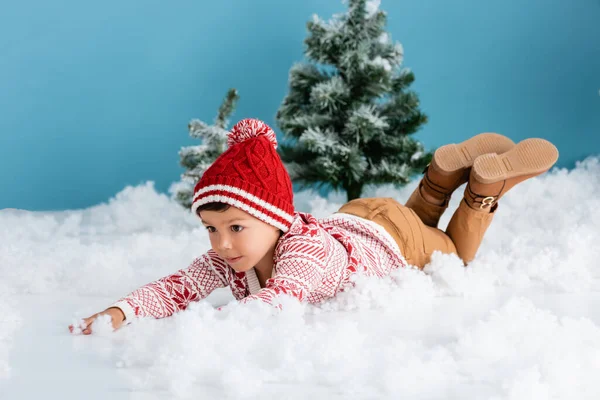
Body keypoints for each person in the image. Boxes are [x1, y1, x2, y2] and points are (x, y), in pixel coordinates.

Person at [69, 118, 558, 335]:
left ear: (276, 219)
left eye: (235, 227)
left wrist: (197, 330)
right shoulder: (233, 254)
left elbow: (278, 302)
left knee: (453, 253)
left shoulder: (302, 255)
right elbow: (179, 285)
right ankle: (439, 176)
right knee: (419, 211)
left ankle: (480, 188)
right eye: (211, 230)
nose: (221, 244)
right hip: (360, 215)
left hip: (391, 240)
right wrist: (120, 313)